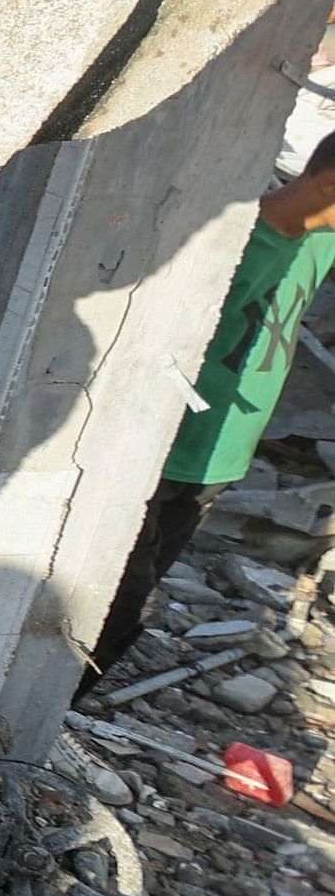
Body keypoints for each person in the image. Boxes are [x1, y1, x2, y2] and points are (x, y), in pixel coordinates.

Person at [88, 137, 335, 674]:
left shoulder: (321, 237)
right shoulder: (227, 243)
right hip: (156, 452)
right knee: (114, 609)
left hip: (217, 463)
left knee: (130, 601)